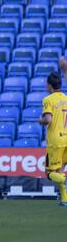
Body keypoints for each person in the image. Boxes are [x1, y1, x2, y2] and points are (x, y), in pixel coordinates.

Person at [39, 57, 67, 207]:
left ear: (49, 85)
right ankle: (64, 199)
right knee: (60, 169)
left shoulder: (48, 100)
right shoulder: (65, 97)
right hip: (66, 138)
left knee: (50, 173)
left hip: (55, 141)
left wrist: (40, 120)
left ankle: (64, 180)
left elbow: (48, 120)